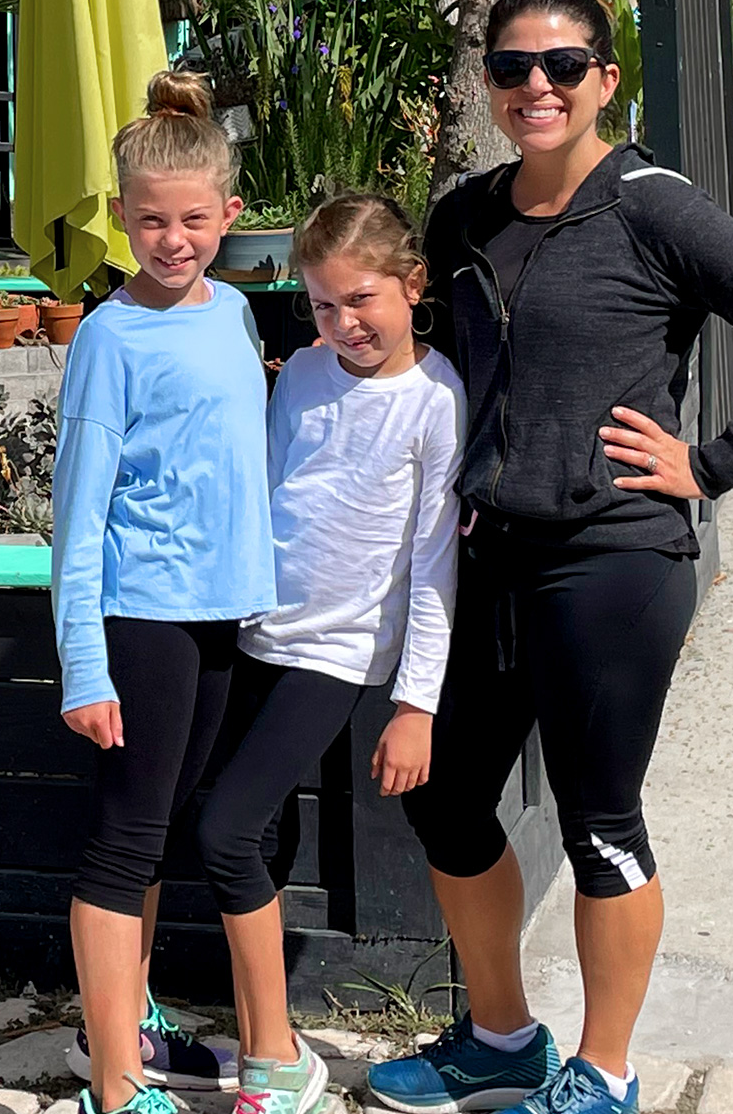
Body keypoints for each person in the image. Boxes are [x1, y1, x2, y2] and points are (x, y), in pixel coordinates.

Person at [365, 0, 733, 1114]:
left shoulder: (653, 205)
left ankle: (607, 1071)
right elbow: (432, 358)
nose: (536, 85)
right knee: (440, 798)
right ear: (491, 83)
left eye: (561, 66)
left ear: (603, 80)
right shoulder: (467, 213)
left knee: (599, 825)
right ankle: (498, 1038)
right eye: (511, 67)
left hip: (614, 560)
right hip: (489, 558)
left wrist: (713, 464)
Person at [194, 193, 464, 1114]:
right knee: (255, 834)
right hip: (254, 628)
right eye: (321, 304)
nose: (344, 323)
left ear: (412, 285)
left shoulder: (435, 401)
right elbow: (270, 491)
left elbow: (434, 563)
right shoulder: (303, 374)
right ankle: (258, 1030)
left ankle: (277, 1059)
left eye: (362, 301)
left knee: (224, 830)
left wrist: (416, 702)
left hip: (337, 654)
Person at [52, 70, 275, 1114]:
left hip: (220, 614)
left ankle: (134, 1023)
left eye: (193, 220)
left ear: (229, 214)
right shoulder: (107, 338)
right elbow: (78, 516)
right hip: (142, 618)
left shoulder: (234, 312)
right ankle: (112, 1083)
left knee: (164, 825)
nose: (173, 240)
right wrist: (84, 665)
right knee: (126, 840)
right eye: (151, 221)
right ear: (120, 218)